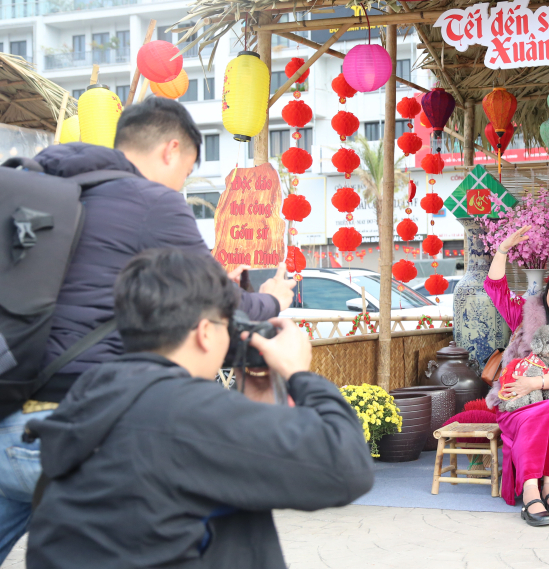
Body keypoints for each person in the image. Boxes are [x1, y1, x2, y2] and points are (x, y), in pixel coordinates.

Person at [0, 97, 295, 560]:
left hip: (9, 418)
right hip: (81, 432)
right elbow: (218, 299)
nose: (184, 182)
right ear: (170, 149)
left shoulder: (43, 184)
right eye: (189, 169)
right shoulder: (152, 202)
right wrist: (276, 297)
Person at [24, 248, 373, 568]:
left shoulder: (94, 396)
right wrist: (298, 371)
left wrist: (254, 404)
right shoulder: (180, 411)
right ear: (205, 332)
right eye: (228, 325)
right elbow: (347, 468)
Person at [484, 225, 549, 527]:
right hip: (512, 400)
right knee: (545, 411)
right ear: (547, 288)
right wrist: (502, 250)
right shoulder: (525, 313)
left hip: (548, 398)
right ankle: (534, 489)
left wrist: (536, 382)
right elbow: (496, 288)